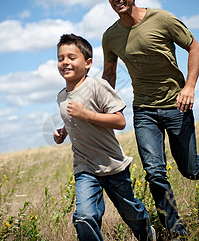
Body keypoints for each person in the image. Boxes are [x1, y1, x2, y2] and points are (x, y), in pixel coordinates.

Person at [102, 0, 199, 238]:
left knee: (191, 170)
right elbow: (108, 75)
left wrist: (189, 86)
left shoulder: (162, 19)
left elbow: (194, 46)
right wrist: (96, 108)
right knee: (155, 172)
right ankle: (174, 229)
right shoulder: (110, 36)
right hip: (144, 111)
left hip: (177, 107)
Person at [53, 33, 156, 241]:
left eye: (72, 57)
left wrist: (87, 115)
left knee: (131, 212)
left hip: (112, 165)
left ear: (88, 63)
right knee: (84, 216)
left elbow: (119, 121)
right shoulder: (61, 96)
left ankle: (147, 233)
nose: (65, 62)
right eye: (61, 58)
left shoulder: (97, 86)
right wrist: (63, 131)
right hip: (85, 167)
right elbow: (73, 118)